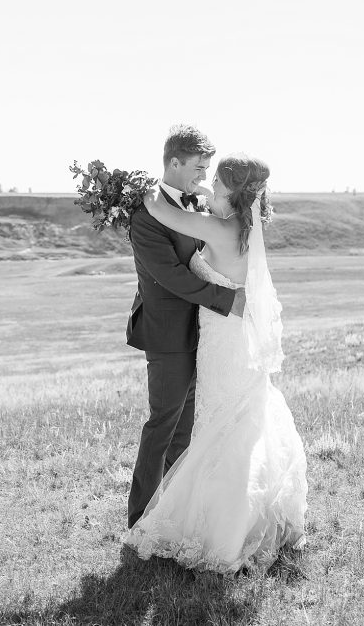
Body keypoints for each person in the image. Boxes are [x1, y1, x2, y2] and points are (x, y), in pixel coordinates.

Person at [124, 152, 308, 574]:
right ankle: (252, 517)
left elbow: (156, 208)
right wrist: (203, 189)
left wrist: (132, 188)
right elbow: (211, 200)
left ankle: (223, 528)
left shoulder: (215, 227)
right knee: (236, 427)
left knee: (218, 430)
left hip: (221, 341)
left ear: (233, 194)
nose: (210, 187)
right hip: (231, 342)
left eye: (217, 182)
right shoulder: (245, 226)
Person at [125, 125, 247, 531]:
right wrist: (228, 300)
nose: (203, 175)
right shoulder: (146, 215)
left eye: (207, 168)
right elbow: (171, 276)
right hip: (168, 335)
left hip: (204, 332)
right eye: (198, 167)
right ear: (173, 163)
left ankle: (172, 513)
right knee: (163, 423)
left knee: (186, 430)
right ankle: (140, 520)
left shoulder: (195, 204)